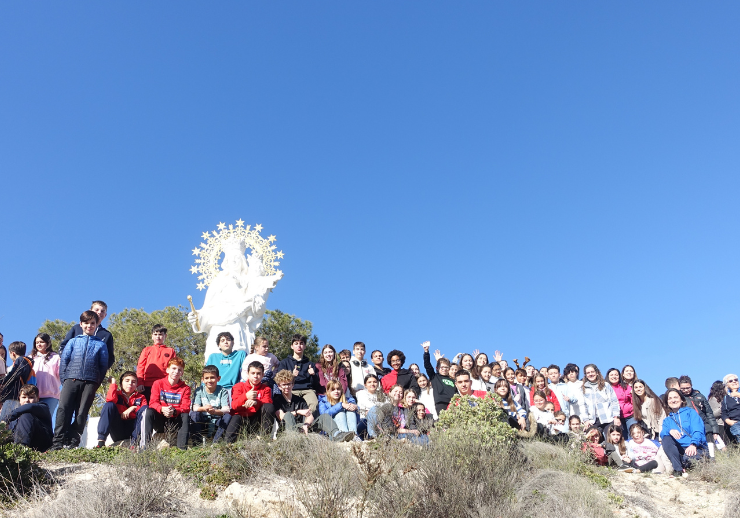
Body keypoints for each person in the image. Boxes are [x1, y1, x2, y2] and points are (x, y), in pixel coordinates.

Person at [52, 311, 109, 450]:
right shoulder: (73, 341)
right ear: (81, 324)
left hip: (90, 382)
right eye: (87, 323)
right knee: (63, 410)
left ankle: (73, 442)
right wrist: (65, 379)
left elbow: (103, 366)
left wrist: (96, 382)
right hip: (71, 379)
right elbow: (64, 361)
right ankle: (57, 442)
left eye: (92, 323)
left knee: (81, 413)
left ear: (96, 325)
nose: (89, 326)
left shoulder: (101, 345)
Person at [272, 369, 354, 441]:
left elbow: (310, 416)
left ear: (293, 384)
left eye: (289, 384)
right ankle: (294, 439)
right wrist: (298, 412)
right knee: (288, 415)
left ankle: (337, 435)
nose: (287, 387)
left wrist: (306, 425)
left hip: (301, 428)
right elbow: (282, 416)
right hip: (286, 431)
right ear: (279, 386)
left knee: (324, 417)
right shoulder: (277, 400)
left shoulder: (299, 400)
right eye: (284, 384)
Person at [143, 357, 191, 450]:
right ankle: (145, 447)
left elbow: (186, 407)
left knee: (185, 415)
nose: (176, 371)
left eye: (179, 370)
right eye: (173, 368)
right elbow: (153, 403)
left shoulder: (185, 388)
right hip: (160, 421)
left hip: (175, 421)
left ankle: (182, 449)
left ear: (182, 373)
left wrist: (175, 411)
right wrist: (162, 409)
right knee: (149, 411)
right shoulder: (158, 383)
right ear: (168, 370)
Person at [661, 388, 708, 478]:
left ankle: (687, 467)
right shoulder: (667, 420)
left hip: (694, 447)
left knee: (691, 459)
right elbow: (663, 433)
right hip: (680, 450)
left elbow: (698, 430)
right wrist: (669, 431)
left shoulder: (691, 413)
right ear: (667, 402)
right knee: (666, 438)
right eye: (670, 398)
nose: (673, 400)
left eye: (675, 397)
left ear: (681, 399)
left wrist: (693, 444)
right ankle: (678, 470)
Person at [225, 361, 274, 442]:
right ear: (248, 374)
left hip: (257, 419)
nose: (255, 376)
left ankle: (264, 438)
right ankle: (228, 445)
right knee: (235, 419)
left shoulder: (266, 389)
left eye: (258, 373)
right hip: (241, 418)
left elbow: (268, 403)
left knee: (269, 406)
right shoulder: (238, 386)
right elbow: (234, 406)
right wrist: (246, 396)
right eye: (253, 373)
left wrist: (256, 402)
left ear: (262, 375)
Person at [59, 300, 114, 371]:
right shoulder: (77, 328)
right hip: (72, 372)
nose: (99, 312)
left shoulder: (106, 335)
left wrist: (100, 372)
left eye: (102, 311)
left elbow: (110, 358)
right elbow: (64, 347)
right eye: (96, 309)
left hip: (93, 375)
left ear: (105, 315)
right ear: (90, 311)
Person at [97, 371, 147, 447]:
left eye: (133, 382)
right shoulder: (116, 395)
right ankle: (101, 442)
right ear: (121, 384)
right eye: (127, 381)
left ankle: (134, 444)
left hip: (134, 430)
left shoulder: (141, 397)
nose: (130, 383)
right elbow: (110, 400)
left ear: (136, 385)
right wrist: (113, 383)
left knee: (145, 409)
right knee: (109, 405)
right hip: (119, 430)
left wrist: (133, 408)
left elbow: (145, 411)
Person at [276, 335, 319, 414]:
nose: (299, 346)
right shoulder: (284, 363)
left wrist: (313, 375)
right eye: (296, 343)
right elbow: (279, 380)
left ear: (305, 346)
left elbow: (315, 384)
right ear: (292, 346)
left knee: (313, 405)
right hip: (291, 390)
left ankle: (307, 424)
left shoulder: (310, 364)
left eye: (301, 343)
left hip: (307, 391)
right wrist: (291, 376)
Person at [189, 365, 231, 445]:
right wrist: (204, 409)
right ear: (202, 379)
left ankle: (216, 443)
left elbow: (226, 409)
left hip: (216, 421)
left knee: (227, 416)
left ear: (218, 378)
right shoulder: (199, 390)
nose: (209, 380)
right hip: (202, 422)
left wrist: (215, 411)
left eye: (212, 377)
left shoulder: (223, 391)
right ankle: (197, 443)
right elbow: (195, 407)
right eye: (206, 378)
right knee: (194, 414)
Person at [679, 375, 718, 458]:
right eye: (683, 388)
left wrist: (715, 430)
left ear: (691, 385)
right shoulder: (680, 399)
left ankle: (713, 459)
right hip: (692, 427)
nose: (686, 390)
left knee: (710, 442)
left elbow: (709, 413)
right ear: (679, 387)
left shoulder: (700, 396)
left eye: (688, 387)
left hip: (705, 424)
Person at [3, 384, 53, 451]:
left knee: (26, 416)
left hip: (42, 442)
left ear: (37, 399)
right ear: (19, 399)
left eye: (31, 397)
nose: (27, 400)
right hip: (21, 443)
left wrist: (5, 420)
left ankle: (19, 450)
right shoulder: (14, 419)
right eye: (24, 397)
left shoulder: (43, 407)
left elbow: (30, 407)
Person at [136, 324, 177, 402]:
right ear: (152, 336)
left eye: (160, 334)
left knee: (162, 408)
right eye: (155, 334)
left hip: (164, 385)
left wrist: (172, 383)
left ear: (165, 336)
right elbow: (140, 367)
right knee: (147, 408)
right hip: (147, 385)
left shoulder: (170, 351)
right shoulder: (147, 350)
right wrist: (140, 383)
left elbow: (174, 368)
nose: (158, 337)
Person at [580, 364, 621, 437]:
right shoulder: (583, 388)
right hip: (593, 421)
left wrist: (616, 417)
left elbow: (614, 401)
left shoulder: (606, 385)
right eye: (588, 373)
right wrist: (586, 420)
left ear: (597, 372)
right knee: (592, 442)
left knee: (610, 441)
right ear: (585, 375)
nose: (590, 374)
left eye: (592, 372)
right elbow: (583, 405)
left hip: (608, 419)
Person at [31, 333, 61, 419]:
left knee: (45, 420)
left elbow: (62, 374)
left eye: (42, 342)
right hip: (33, 395)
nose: (39, 344)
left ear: (48, 343)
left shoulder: (56, 357)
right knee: (32, 420)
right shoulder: (31, 358)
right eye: (37, 342)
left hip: (51, 396)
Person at [0, 341, 33, 405]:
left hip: (13, 396)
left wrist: (2, 381)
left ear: (13, 353)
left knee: (6, 414)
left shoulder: (20, 360)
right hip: (19, 395)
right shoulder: (27, 362)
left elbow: (13, 374)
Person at [606, 368, 635, 437]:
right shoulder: (606, 388)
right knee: (621, 436)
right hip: (615, 417)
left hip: (629, 415)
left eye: (616, 375)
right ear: (608, 377)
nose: (614, 377)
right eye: (611, 375)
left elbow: (632, 399)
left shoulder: (625, 386)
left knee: (633, 433)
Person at [708, 380, 730, 447]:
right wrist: (723, 407)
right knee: (727, 444)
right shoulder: (712, 399)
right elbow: (713, 414)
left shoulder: (725, 398)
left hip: (727, 424)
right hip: (720, 425)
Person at [720, 373, 740, 443]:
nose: (734, 381)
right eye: (731, 381)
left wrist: (738, 395)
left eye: (736, 380)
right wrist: (729, 421)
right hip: (736, 423)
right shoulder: (726, 399)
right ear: (726, 385)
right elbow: (724, 413)